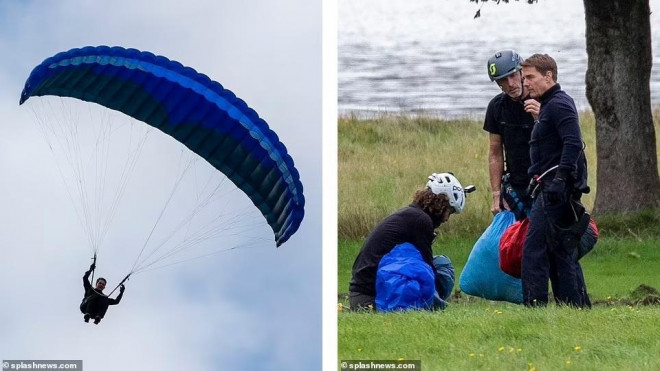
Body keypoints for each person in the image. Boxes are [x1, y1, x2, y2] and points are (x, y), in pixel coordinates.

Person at [520, 53, 590, 308]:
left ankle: (534, 307)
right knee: (560, 251)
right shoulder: (548, 104)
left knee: (534, 249)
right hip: (549, 187)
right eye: (524, 77)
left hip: (556, 189)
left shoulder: (559, 104)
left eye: (530, 77)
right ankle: (575, 307)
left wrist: (561, 180)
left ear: (548, 76)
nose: (526, 83)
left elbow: (573, 142)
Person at [348, 172, 472, 310]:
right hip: (373, 296)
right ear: (441, 203)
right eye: (450, 211)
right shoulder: (421, 221)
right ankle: (434, 306)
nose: (447, 218)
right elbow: (428, 267)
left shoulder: (411, 215)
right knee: (443, 266)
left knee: (436, 264)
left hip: (360, 294)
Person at [484, 49, 541, 221]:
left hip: (543, 183)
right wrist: (496, 195)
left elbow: (563, 142)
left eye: (513, 75)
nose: (510, 83)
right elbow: (495, 153)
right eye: (503, 80)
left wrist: (541, 118)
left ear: (522, 73)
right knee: (506, 243)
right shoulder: (496, 107)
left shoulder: (544, 100)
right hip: (515, 186)